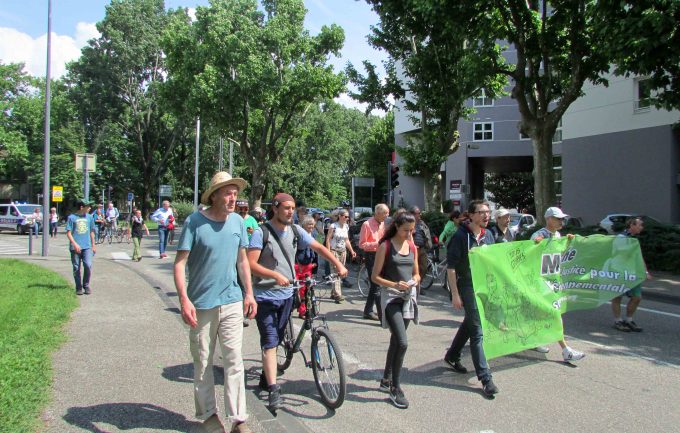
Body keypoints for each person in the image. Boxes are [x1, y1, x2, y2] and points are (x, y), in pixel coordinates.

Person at [247, 193, 348, 411]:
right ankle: (273, 389)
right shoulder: (260, 233)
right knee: (271, 341)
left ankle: (267, 375)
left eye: (293, 208)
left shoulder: (295, 230)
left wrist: (337, 265)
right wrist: (274, 276)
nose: (291, 211)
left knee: (278, 337)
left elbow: (319, 247)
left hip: (287, 295)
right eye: (286, 208)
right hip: (265, 296)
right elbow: (251, 264)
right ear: (275, 208)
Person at [173, 171, 256, 433]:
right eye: (228, 193)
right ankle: (209, 416)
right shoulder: (194, 222)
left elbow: (242, 260)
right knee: (203, 361)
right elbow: (180, 263)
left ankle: (239, 419)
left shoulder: (238, 223)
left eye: (236, 193)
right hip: (202, 303)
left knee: (234, 360)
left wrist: (249, 293)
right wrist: (184, 299)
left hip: (231, 300)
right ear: (215, 195)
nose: (233, 199)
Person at [444, 200, 499, 397]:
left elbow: (500, 257)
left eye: (488, 212)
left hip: (484, 286)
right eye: (482, 212)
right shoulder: (460, 236)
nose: (487, 215)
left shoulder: (489, 235)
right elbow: (450, 267)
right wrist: (455, 293)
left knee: (470, 322)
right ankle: (486, 379)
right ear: (472, 215)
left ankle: (452, 355)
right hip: (467, 286)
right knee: (477, 330)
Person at [371, 210, 420, 409]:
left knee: (396, 342)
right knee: (402, 341)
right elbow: (375, 277)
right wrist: (394, 285)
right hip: (391, 298)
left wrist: (413, 281)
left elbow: (417, 274)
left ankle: (385, 379)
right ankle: (395, 387)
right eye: (406, 230)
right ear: (397, 227)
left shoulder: (412, 246)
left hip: (408, 297)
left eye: (412, 230)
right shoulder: (386, 246)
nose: (409, 234)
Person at [531, 206, 586, 361]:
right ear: (548, 219)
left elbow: (559, 255)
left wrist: (567, 243)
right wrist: (535, 245)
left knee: (543, 313)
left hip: (554, 280)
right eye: (558, 218)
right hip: (541, 281)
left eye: (562, 218)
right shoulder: (539, 235)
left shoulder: (558, 235)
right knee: (555, 313)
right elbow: (529, 255)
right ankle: (566, 350)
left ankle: (534, 340)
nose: (561, 221)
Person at [611, 216, 650, 332]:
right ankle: (618, 321)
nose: (641, 227)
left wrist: (645, 271)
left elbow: (639, 256)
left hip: (632, 272)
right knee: (617, 297)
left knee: (637, 297)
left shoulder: (634, 239)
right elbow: (618, 253)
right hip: (619, 271)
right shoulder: (621, 237)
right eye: (640, 225)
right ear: (632, 225)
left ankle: (629, 320)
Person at [359, 203, 390, 321]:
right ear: (377, 213)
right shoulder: (366, 224)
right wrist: (377, 244)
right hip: (371, 255)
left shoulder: (382, 223)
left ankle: (367, 311)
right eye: (385, 213)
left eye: (388, 213)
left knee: (374, 285)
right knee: (376, 284)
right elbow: (362, 244)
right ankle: (383, 316)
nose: (387, 216)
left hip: (381, 254)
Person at [325, 208, 356, 303]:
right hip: (334, 251)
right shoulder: (333, 226)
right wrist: (329, 251)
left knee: (339, 273)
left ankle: (333, 292)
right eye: (345, 216)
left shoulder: (346, 227)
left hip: (343, 252)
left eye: (348, 217)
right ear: (340, 216)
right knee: (336, 272)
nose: (347, 218)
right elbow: (328, 239)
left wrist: (352, 251)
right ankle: (338, 295)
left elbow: (346, 240)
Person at [66, 199, 96, 295]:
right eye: (88, 206)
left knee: (88, 265)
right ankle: (78, 287)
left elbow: (92, 231)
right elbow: (69, 233)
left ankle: (86, 285)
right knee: (76, 267)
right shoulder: (72, 218)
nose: (90, 208)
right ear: (81, 207)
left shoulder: (89, 217)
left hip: (87, 246)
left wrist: (93, 245)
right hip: (75, 247)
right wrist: (74, 244)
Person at [295, 216, 319, 318]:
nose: (311, 226)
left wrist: (314, 264)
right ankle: (294, 307)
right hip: (297, 265)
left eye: (312, 224)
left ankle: (303, 311)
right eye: (309, 224)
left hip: (308, 266)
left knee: (306, 289)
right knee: (297, 289)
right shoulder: (298, 235)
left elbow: (316, 249)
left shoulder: (313, 234)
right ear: (304, 225)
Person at [409, 206, 432, 292]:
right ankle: (412, 286)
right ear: (412, 214)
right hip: (411, 249)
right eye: (417, 213)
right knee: (412, 268)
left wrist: (429, 245)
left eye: (419, 213)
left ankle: (418, 284)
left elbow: (427, 234)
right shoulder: (408, 223)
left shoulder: (422, 223)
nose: (419, 215)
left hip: (422, 248)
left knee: (424, 268)